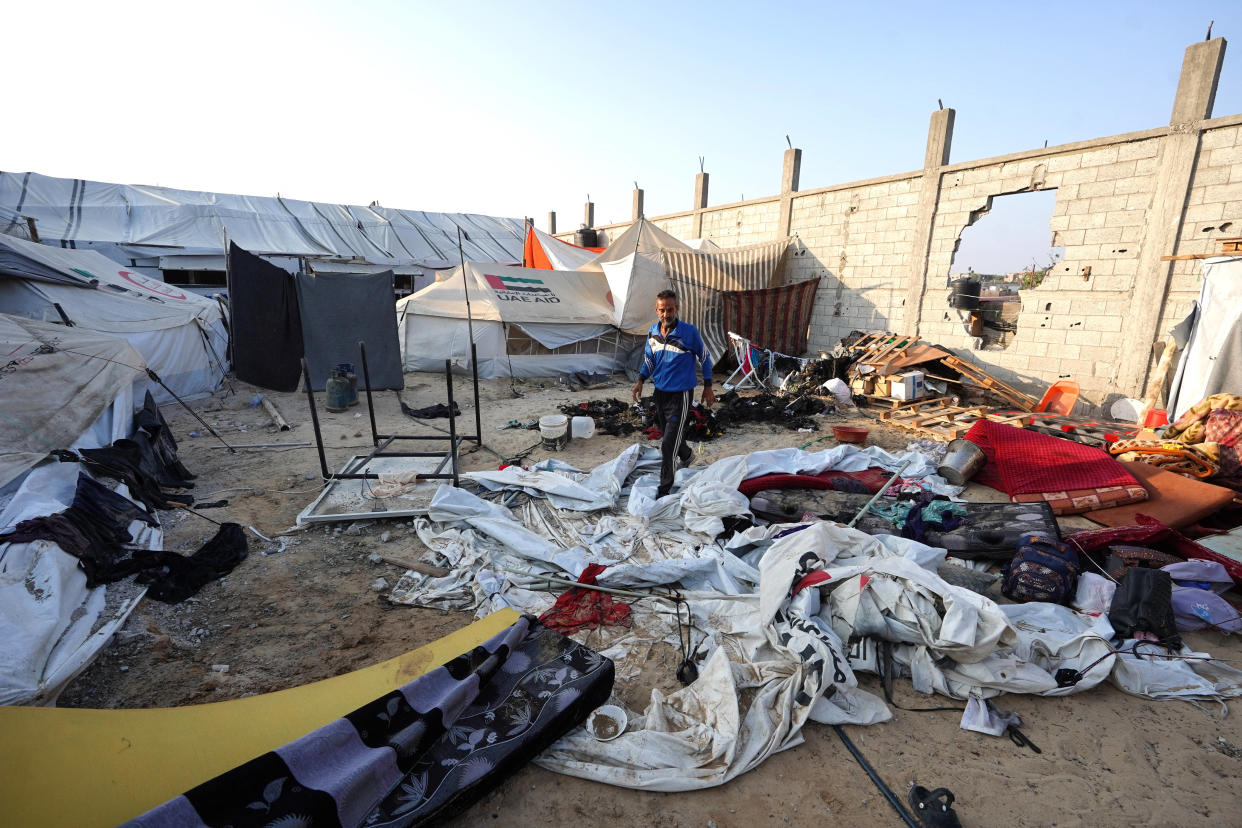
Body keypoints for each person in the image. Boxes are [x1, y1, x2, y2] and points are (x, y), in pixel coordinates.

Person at [631, 289, 714, 497]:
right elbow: (649, 361)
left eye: (670, 310)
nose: (666, 314)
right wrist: (640, 380)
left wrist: (708, 386)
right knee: (665, 431)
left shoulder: (689, 332)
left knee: (667, 445)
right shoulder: (653, 332)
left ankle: (664, 490)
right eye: (662, 310)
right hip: (660, 394)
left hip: (681, 396)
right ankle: (686, 454)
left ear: (676, 308)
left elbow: (705, 358)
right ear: (656, 310)